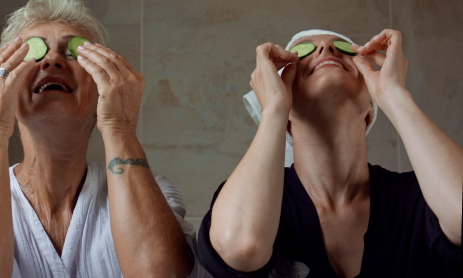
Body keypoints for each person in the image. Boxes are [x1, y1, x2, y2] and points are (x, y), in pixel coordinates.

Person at [0, 0, 202, 277]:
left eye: (72, 52)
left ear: (101, 86)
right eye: (34, 51)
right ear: (4, 86)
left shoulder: (152, 191)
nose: (53, 59)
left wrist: (120, 128)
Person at [198, 29, 462, 277]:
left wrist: (394, 95)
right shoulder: (255, 202)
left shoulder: (422, 198)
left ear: (370, 109)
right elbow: (240, 247)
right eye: (305, 51)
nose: (325, 47)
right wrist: (274, 110)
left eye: (341, 48)